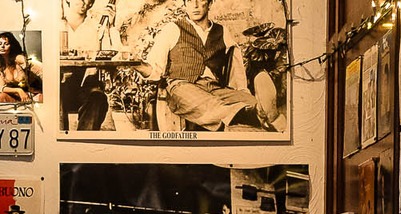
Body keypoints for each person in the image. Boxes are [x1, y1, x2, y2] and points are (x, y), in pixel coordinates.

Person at [133, 0, 283, 131]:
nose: (196, 5)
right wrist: (139, 66)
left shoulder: (222, 31)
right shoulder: (172, 28)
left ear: (210, 3)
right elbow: (156, 68)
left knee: (249, 101)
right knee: (208, 104)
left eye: (201, 0)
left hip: (215, 87)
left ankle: (258, 112)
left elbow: (235, 62)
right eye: (190, 1)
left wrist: (241, 91)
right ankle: (253, 115)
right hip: (181, 86)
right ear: (185, 4)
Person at [59, 0, 117, 131]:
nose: (85, 1)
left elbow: (111, 55)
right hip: (61, 87)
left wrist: (111, 26)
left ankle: (83, 142)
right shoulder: (58, 25)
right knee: (57, 94)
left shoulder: (97, 27)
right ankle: (60, 143)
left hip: (86, 86)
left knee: (98, 97)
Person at [0, 31, 43, 103]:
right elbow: (2, 88)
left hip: (33, 94)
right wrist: (19, 90)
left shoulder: (19, 59)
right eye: (0, 44)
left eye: (6, 44)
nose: (2, 46)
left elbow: (42, 70)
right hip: (17, 96)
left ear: (12, 46)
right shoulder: (1, 65)